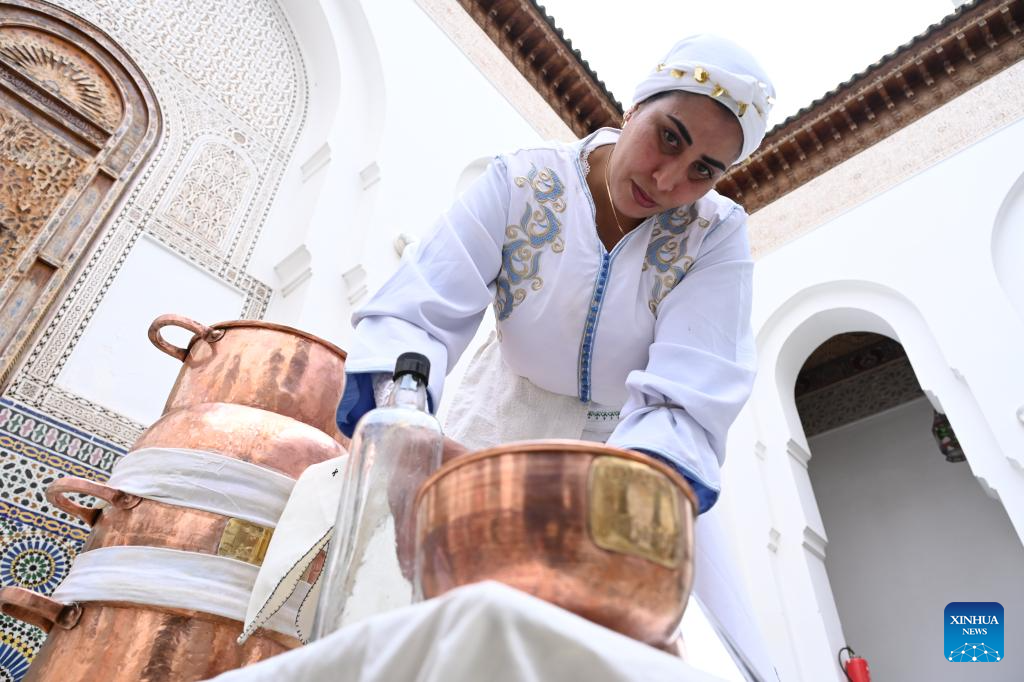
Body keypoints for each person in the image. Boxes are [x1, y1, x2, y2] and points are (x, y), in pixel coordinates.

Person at [336, 34, 778, 679]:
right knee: (451, 631)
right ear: (633, 108)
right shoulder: (523, 181)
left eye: (703, 171)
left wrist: (612, 501)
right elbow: (417, 311)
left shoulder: (715, 234)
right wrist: (409, 432)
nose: (668, 180)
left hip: (631, 455)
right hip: (493, 425)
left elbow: (689, 391)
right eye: (669, 137)